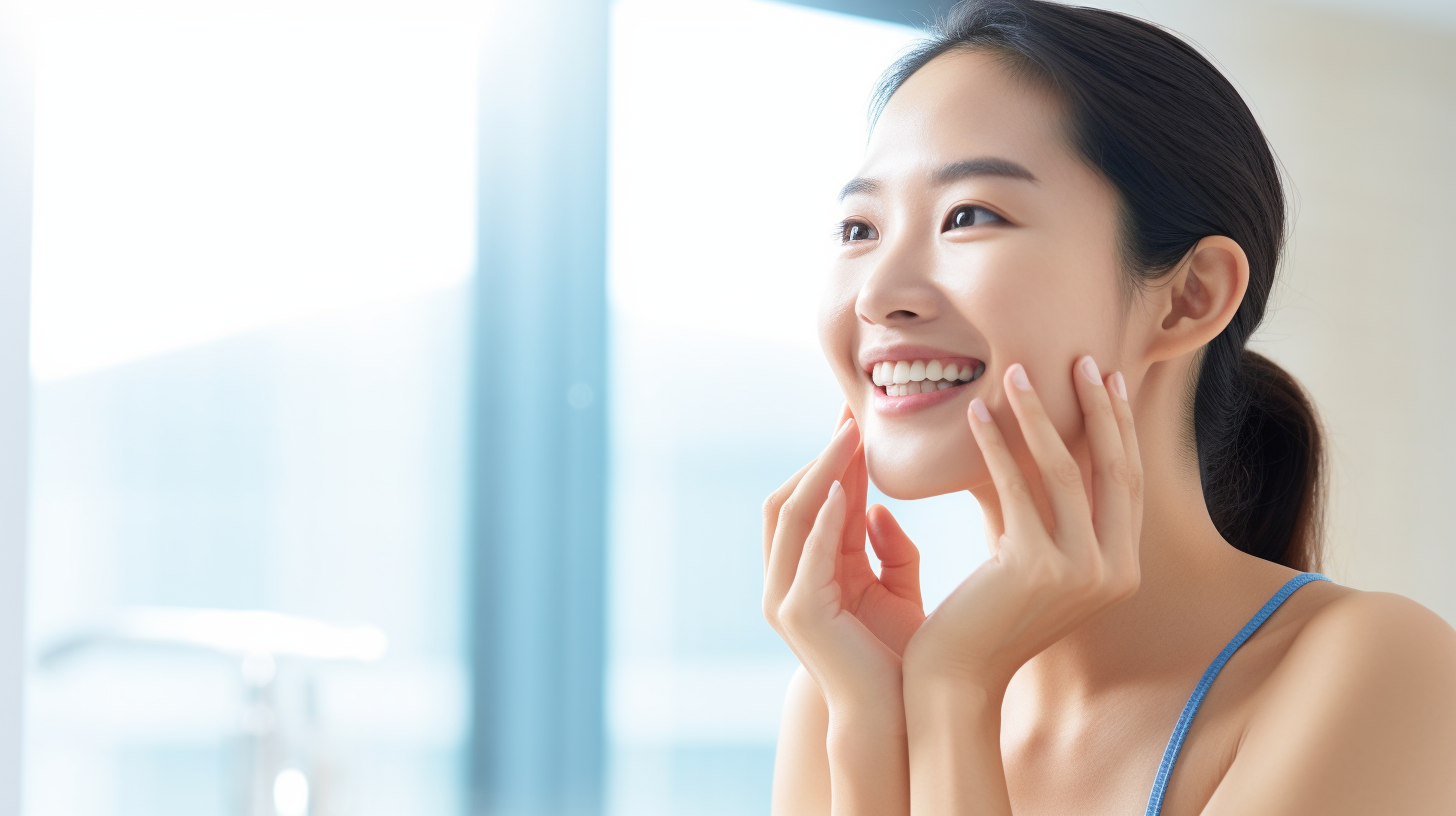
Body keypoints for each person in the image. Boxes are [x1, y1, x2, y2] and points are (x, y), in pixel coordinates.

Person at [759, 1, 1456, 813]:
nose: (879, 294)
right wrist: (879, 728)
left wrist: (953, 699)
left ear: (1190, 298)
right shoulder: (848, 690)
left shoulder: (1381, 669)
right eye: (858, 228)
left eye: (969, 216)